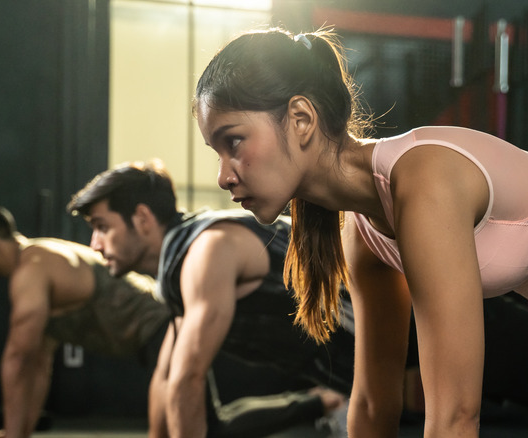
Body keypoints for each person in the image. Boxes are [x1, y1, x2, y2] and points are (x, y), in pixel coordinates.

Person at [193, 27, 528, 437]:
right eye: (218, 152)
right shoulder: (364, 230)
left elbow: (455, 418)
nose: (224, 175)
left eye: (234, 142)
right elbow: (373, 404)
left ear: (301, 119)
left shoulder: (424, 183)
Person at [68, 160, 353, 438]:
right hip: (350, 372)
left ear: (142, 219)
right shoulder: (178, 274)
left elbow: (186, 378)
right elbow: (167, 377)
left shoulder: (207, 250)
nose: (94, 244)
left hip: (386, 336)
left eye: (102, 227)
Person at [0, 205, 170, 438]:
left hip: (170, 324)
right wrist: (16, 433)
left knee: (194, 426)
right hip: (157, 334)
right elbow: (37, 366)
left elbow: (17, 358)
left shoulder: (32, 268)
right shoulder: (36, 270)